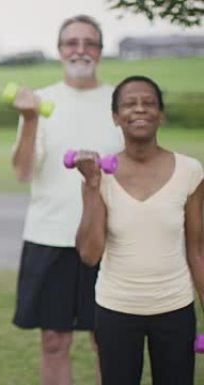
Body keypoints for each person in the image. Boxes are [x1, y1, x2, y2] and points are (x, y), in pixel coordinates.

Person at [10, 14, 125, 385]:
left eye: (89, 42)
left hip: (111, 238)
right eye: (72, 43)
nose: (80, 50)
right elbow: (23, 172)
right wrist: (29, 121)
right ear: (60, 51)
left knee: (107, 339)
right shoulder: (39, 103)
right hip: (50, 237)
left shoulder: (121, 103)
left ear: (100, 52)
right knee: (54, 341)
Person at [74, 75, 204, 385]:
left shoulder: (190, 171)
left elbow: (197, 249)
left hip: (175, 307)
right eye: (129, 104)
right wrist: (92, 186)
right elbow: (90, 255)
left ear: (161, 114)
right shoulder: (98, 175)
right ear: (116, 117)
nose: (140, 109)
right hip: (116, 309)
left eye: (149, 103)